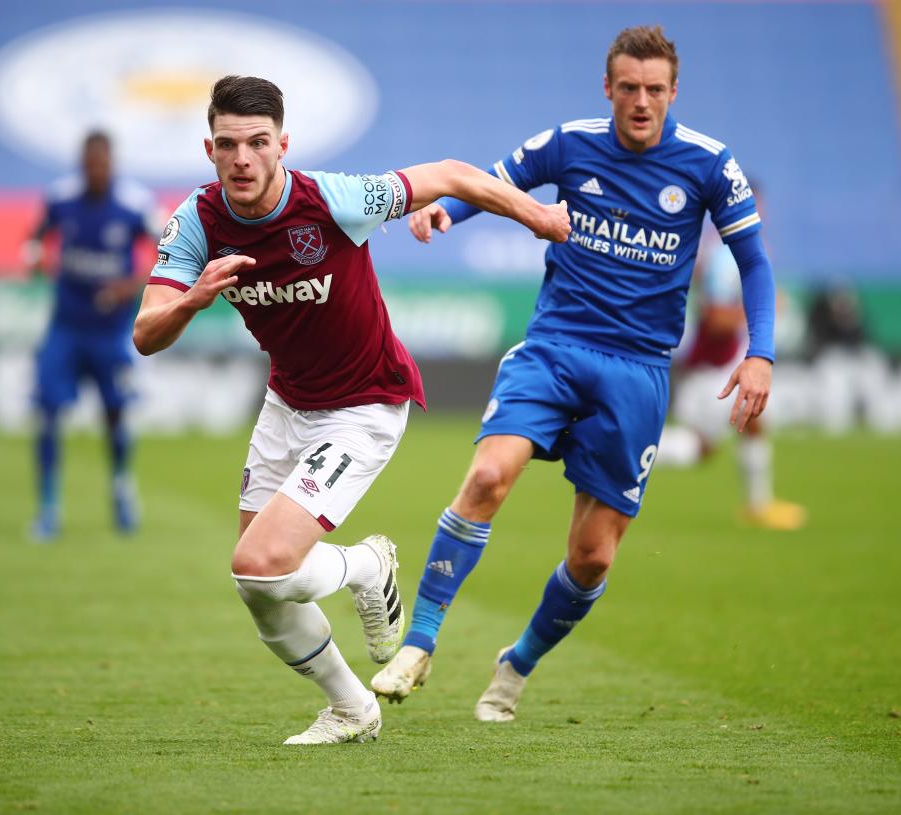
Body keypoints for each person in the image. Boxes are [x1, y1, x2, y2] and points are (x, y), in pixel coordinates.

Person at [131, 75, 571, 744]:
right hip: (288, 402)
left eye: (256, 143)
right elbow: (146, 333)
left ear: (283, 144)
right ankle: (350, 707)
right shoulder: (197, 221)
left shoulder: (334, 199)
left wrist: (538, 217)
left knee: (259, 563)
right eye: (227, 145)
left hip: (364, 403)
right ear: (209, 148)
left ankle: (367, 564)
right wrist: (193, 299)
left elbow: (451, 174)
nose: (242, 158)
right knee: (259, 582)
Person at [371, 25, 777, 722]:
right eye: (628, 88)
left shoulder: (709, 164)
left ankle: (518, 660)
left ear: (673, 92)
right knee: (489, 475)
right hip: (555, 346)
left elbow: (755, 263)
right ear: (608, 87)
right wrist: (446, 209)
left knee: (591, 557)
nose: (641, 101)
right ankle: (420, 641)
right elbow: (491, 183)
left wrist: (761, 351)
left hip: (639, 372)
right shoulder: (569, 142)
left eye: (654, 89)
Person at [25, 130, 155, 541]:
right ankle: (48, 507)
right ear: (82, 165)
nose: (95, 171)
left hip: (111, 332)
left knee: (115, 414)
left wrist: (131, 284)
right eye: (89, 164)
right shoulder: (60, 197)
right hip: (66, 326)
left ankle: (121, 488)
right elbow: (35, 237)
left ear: (111, 164)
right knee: (47, 412)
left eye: (102, 164)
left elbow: (170, 251)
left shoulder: (134, 204)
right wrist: (33, 257)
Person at [657, 189, 806, 530]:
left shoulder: (724, 249)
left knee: (750, 423)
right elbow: (716, 319)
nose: (759, 213)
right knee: (700, 447)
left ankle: (759, 504)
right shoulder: (726, 255)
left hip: (716, 364)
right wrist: (763, 311)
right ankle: (624, 453)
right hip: (711, 369)